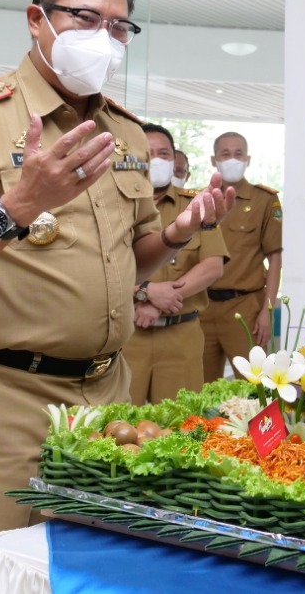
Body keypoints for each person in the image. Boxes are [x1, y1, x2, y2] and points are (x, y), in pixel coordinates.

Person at [0, 0, 235, 594]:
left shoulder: (125, 133)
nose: (104, 38)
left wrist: (174, 235)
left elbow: (125, 260)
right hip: (1, 392)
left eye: (118, 26)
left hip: (107, 391)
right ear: (36, 19)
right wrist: (18, 205)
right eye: (85, 18)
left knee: (82, 572)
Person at [123, 124, 228, 404]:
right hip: (127, 335)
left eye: (164, 153)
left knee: (181, 427)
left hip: (181, 335)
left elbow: (212, 266)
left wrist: (166, 297)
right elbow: (99, 268)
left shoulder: (195, 205)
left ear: (173, 158)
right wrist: (143, 292)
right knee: (118, 428)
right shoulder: (116, 205)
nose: (157, 159)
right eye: (148, 152)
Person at [201, 131, 282, 381]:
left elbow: (275, 258)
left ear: (247, 158)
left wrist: (266, 312)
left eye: (238, 154)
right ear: (214, 160)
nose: (232, 159)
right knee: (199, 389)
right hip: (201, 307)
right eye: (225, 154)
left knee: (253, 386)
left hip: (244, 308)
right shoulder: (199, 200)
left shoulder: (264, 200)